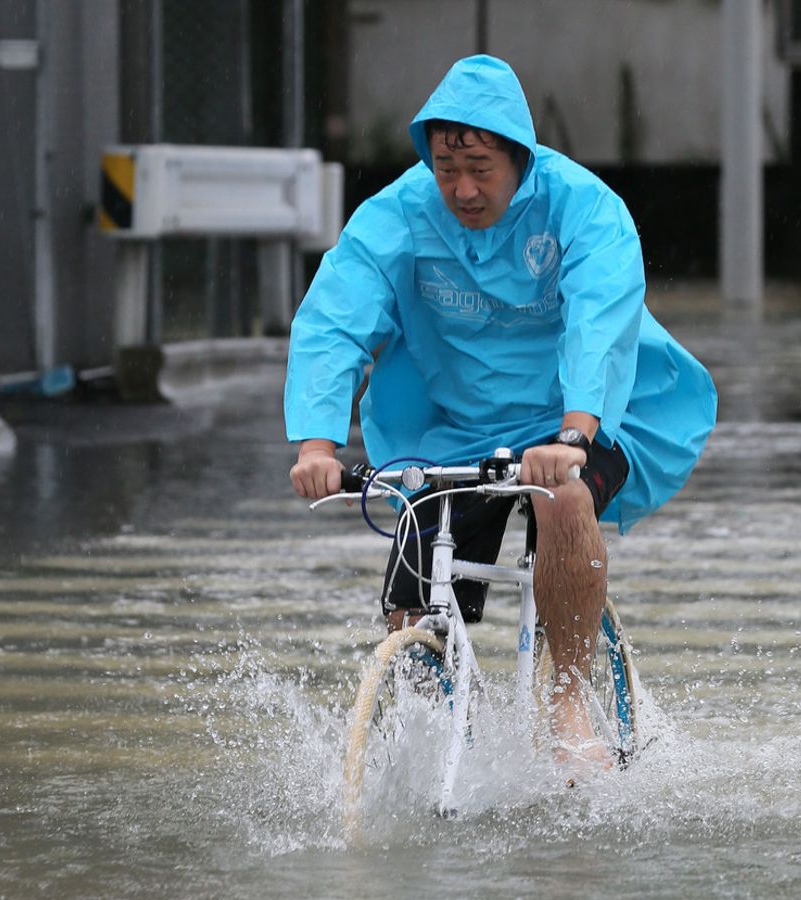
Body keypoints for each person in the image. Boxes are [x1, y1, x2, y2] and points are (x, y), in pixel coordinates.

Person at [284, 55, 716, 769]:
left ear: (519, 156)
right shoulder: (397, 214)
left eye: (480, 167)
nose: (462, 187)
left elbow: (600, 320)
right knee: (413, 567)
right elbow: (336, 318)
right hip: (459, 430)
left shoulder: (581, 205)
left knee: (560, 495)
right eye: (446, 167)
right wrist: (316, 446)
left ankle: (571, 696)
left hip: (581, 420)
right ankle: (431, 710)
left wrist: (575, 432)